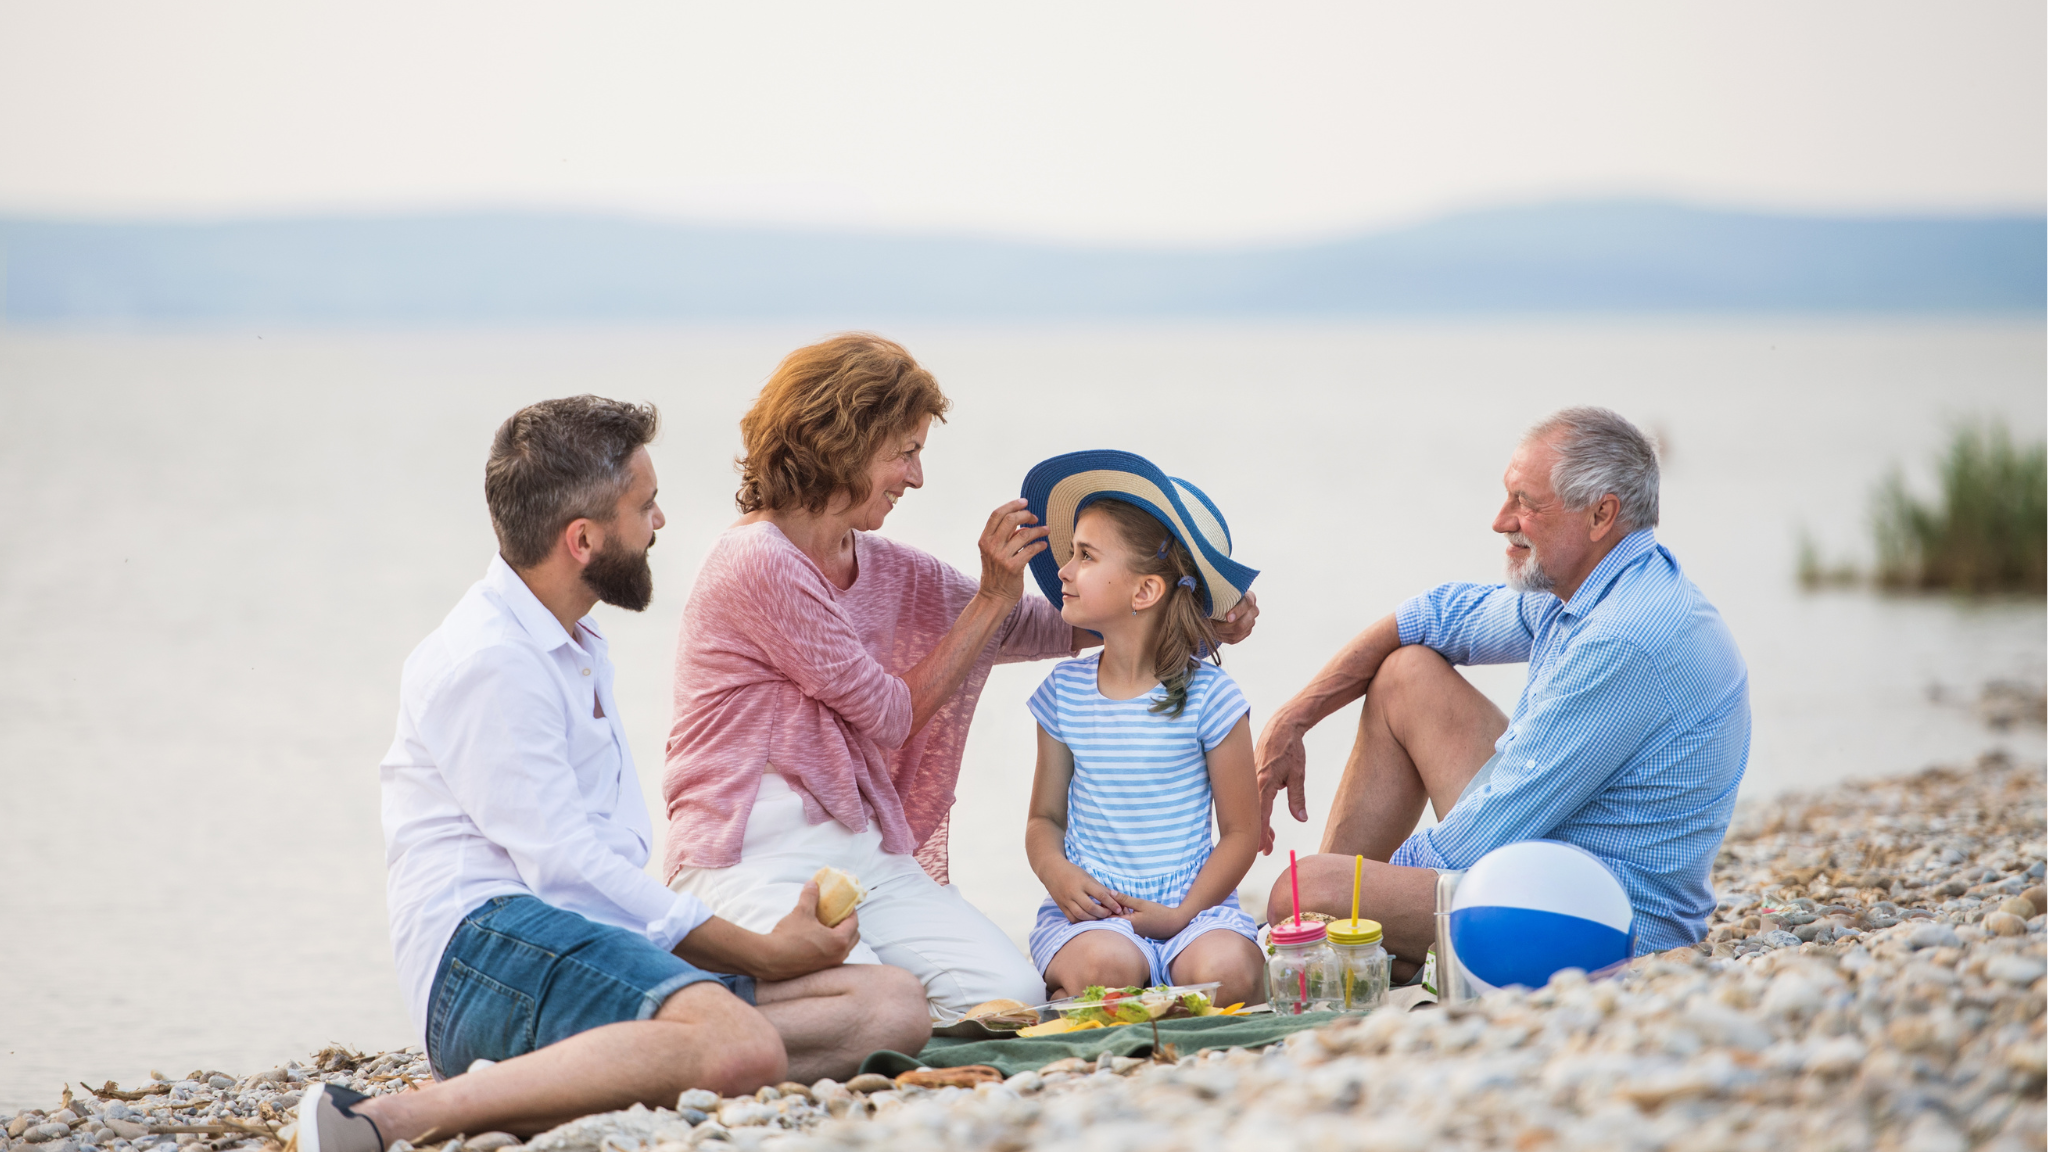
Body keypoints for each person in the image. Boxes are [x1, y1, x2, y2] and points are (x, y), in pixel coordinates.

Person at [302, 397, 930, 1152]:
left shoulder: (574, 637)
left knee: (891, 1007)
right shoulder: (490, 660)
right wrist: (757, 950)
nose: (660, 521)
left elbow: (596, 884)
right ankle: (374, 1123)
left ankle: (600, 1069)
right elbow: (565, 868)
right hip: (488, 955)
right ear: (583, 539)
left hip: (586, 947)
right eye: (646, 505)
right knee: (741, 1049)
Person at [662, 335, 1260, 1017]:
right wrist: (991, 597)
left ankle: (819, 1000)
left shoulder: (887, 567)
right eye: (905, 452)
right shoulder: (756, 561)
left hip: (859, 849)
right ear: (842, 443)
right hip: (749, 852)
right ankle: (701, 985)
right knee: (872, 1003)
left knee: (1010, 997)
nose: (915, 477)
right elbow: (888, 713)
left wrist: (1200, 611)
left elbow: (1049, 625)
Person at [1255, 407, 1748, 981]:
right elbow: (1435, 616)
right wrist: (1295, 717)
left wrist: (1353, 891)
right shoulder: (1592, 585)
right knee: (1405, 675)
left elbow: (1479, 841)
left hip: (1604, 917)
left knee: (1301, 888)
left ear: (1601, 514)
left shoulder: (1625, 641)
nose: (1499, 521)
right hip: (1558, 855)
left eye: (1523, 502)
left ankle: (1332, 944)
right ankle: (1348, 951)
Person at [1019, 451, 1267, 1009]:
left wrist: (1183, 914)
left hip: (1194, 908)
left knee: (1228, 971)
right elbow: (1045, 818)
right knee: (1111, 966)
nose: (1064, 570)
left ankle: (1137, 994)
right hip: (1097, 915)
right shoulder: (1064, 692)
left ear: (1145, 592)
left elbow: (1239, 834)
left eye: (1085, 556)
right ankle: (1120, 988)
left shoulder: (1212, 697)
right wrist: (1056, 874)